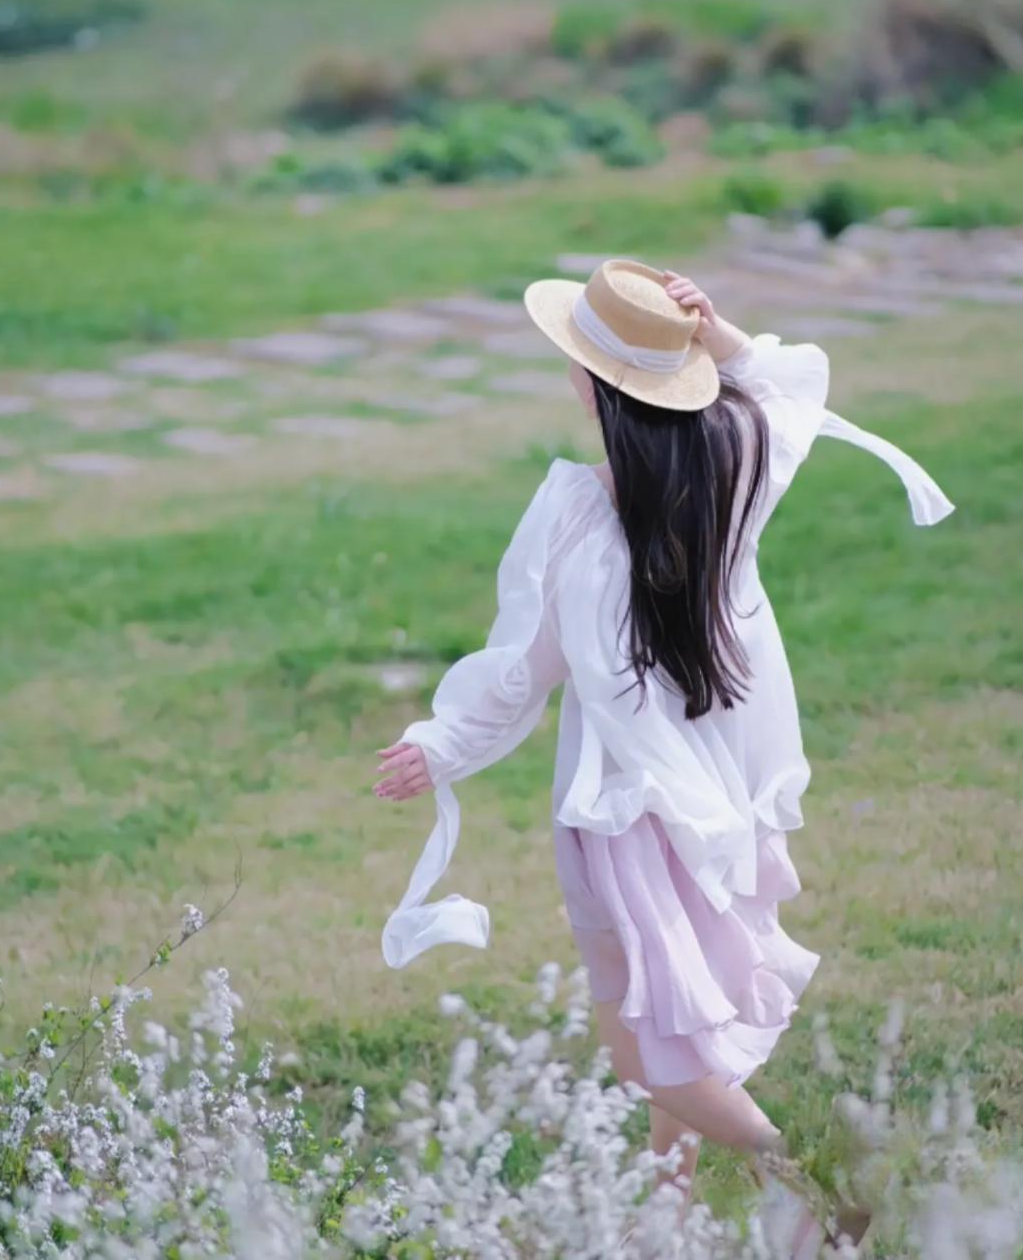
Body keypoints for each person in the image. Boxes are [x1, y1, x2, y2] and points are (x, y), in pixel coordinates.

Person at [373, 259, 954, 1255]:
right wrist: (720, 335)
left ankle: (820, 1182)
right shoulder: (739, 459)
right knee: (671, 1020)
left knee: (647, 1054)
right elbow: (786, 386)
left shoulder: (580, 515)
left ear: (588, 382)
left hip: (621, 811)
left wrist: (445, 741)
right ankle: (665, 1208)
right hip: (713, 793)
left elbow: (525, 667)